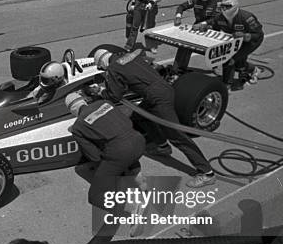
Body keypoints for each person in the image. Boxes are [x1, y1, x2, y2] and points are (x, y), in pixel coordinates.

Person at [91, 48, 216, 188]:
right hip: (161, 89)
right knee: (139, 117)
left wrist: (101, 91)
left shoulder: (113, 69)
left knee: (177, 136)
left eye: (101, 67)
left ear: (102, 62)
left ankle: (207, 173)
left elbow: (114, 96)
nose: (103, 69)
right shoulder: (128, 56)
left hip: (157, 98)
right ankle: (161, 146)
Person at [65, 91, 145, 207]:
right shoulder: (105, 103)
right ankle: (142, 186)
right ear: (84, 100)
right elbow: (124, 121)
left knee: (95, 196)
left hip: (121, 152)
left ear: (71, 110)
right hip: (139, 140)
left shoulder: (78, 127)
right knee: (129, 156)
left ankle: (127, 212)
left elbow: (94, 156)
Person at [195, 0, 264, 90]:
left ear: (235, 6)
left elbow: (258, 34)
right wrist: (203, 25)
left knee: (230, 59)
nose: (225, 9)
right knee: (238, 63)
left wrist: (245, 36)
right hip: (235, 41)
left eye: (228, 6)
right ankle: (253, 70)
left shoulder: (247, 17)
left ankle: (226, 84)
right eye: (223, 6)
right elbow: (212, 23)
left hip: (251, 41)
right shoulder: (220, 17)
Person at [172, 0, 222, 70]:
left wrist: (203, 24)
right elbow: (181, 6)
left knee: (212, 53)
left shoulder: (218, 2)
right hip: (197, 28)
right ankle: (178, 68)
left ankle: (216, 65)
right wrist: (178, 16)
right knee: (184, 45)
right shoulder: (196, 0)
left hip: (212, 29)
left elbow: (217, 19)